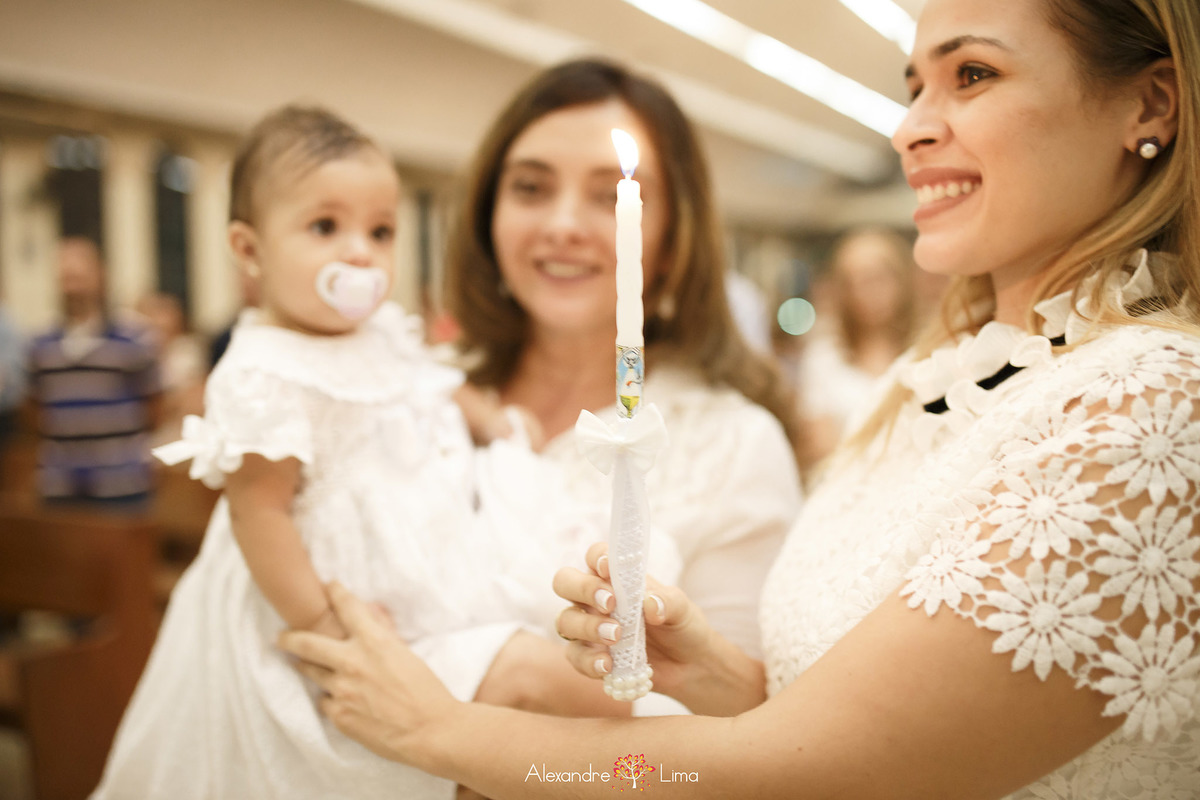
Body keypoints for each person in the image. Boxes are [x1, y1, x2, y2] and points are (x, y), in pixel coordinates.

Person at [281, 0, 1200, 797]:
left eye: (973, 74)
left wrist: (438, 729)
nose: (909, 129)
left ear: (1149, 103)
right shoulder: (925, 383)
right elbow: (854, 722)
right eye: (915, 85)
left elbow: (801, 773)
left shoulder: (1150, 405)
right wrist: (715, 675)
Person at [91, 105, 600, 800]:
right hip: (341, 602)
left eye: (380, 231)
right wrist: (325, 626)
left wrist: (487, 418)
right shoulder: (267, 371)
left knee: (532, 690)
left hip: (430, 573)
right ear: (250, 250)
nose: (361, 252)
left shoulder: (381, 330)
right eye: (326, 227)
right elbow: (260, 516)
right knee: (519, 690)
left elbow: (429, 380)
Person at [439, 59, 803, 711]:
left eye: (611, 194)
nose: (562, 225)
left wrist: (519, 678)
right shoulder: (424, 391)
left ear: (671, 238)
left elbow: (742, 725)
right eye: (530, 188)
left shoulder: (733, 444)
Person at [26, 237, 161, 506]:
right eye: (66, 278)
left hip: (121, 481)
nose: (73, 287)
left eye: (79, 277)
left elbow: (155, 404)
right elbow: (33, 408)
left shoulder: (134, 340)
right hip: (60, 482)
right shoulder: (40, 345)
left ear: (100, 276)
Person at [795, 227, 918, 476]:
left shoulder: (927, 352)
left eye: (877, 278)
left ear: (902, 279)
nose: (866, 292)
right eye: (854, 281)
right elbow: (821, 444)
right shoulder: (824, 357)